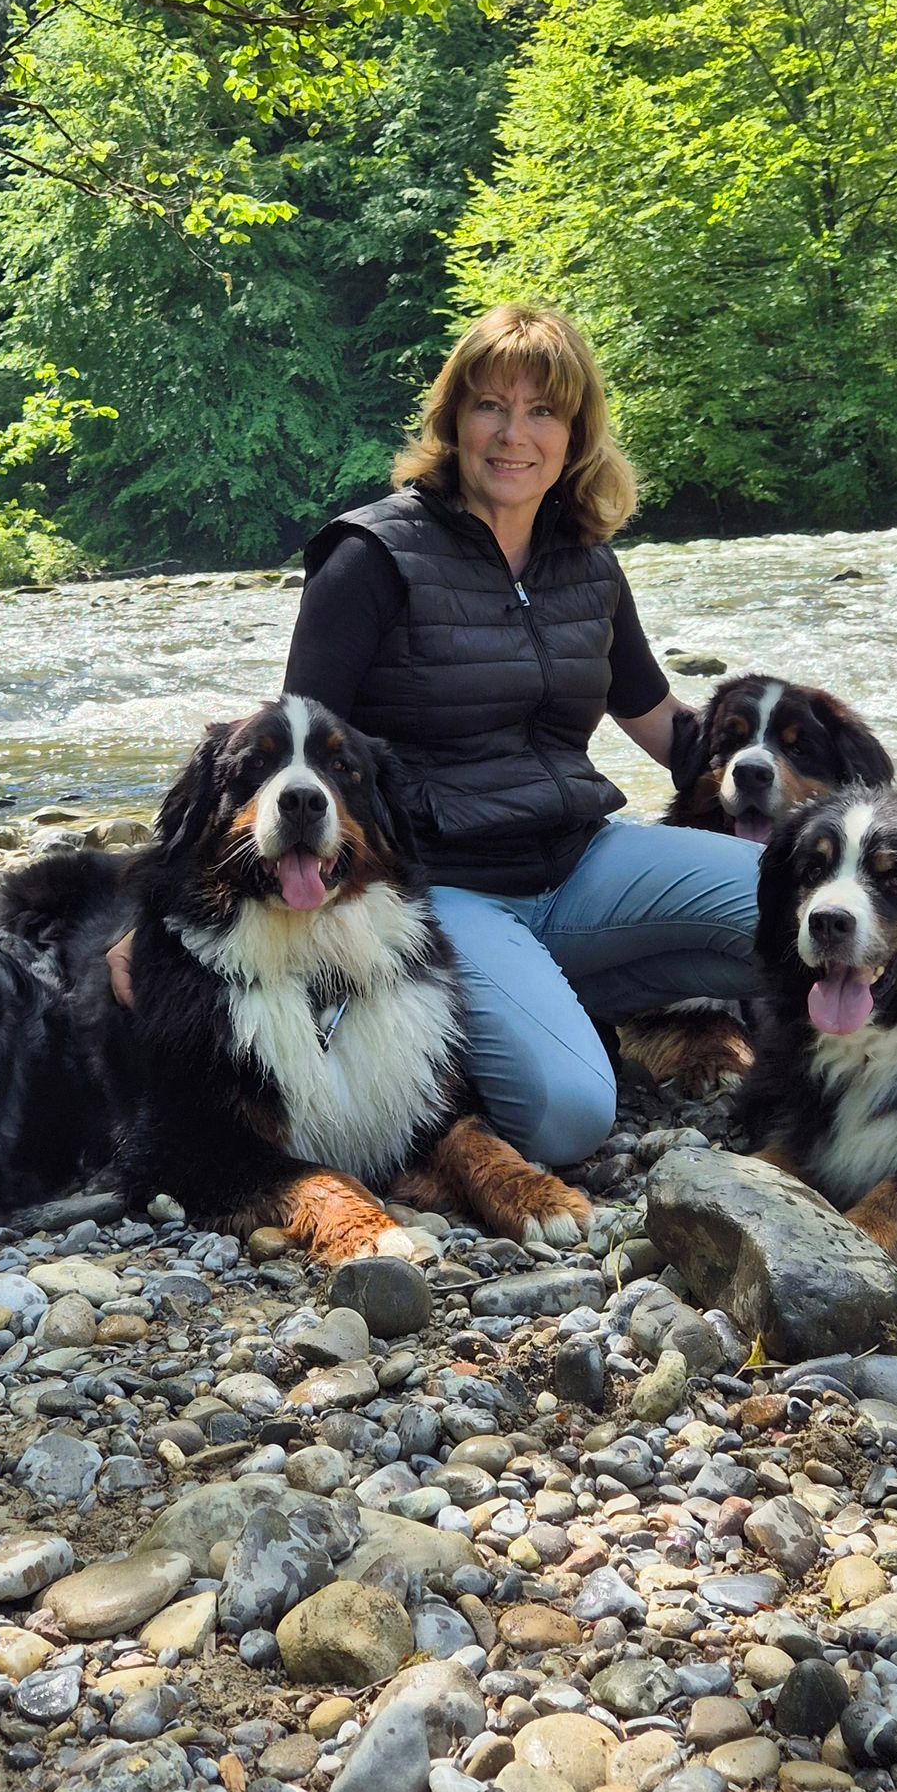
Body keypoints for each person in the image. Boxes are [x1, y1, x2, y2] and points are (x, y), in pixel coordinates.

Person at [276, 302, 760, 1169]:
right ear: (453, 419)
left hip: (583, 864)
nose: (513, 434)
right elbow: (294, 752)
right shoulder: (371, 557)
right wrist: (154, 916)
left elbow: (663, 723)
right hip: (446, 887)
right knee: (570, 1117)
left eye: (542, 411)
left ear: (575, 436)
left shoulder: (587, 563)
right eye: (490, 405)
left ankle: (553, 992)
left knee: (816, 905)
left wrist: (804, 777)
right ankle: (511, 1007)